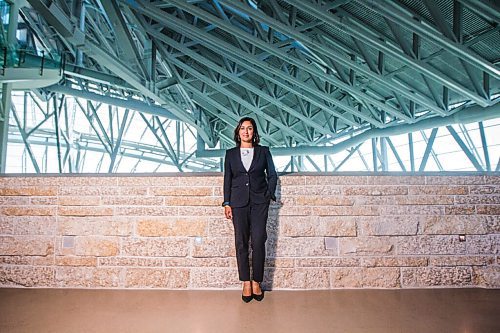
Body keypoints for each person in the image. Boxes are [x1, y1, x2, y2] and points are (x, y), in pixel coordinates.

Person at [222, 117, 278, 303]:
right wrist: (227, 202)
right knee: (241, 242)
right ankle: (245, 281)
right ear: (238, 132)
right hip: (238, 203)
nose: (246, 132)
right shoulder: (230, 154)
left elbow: (272, 175)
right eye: (243, 128)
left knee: (259, 239)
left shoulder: (263, 152)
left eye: (250, 128)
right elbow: (227, 179)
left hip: (259, 202)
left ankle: (257, 281)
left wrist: (268, 195)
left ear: (254, 132)